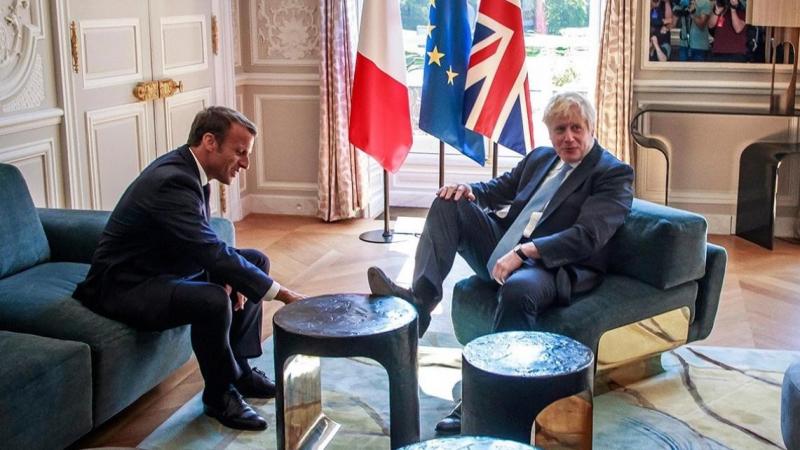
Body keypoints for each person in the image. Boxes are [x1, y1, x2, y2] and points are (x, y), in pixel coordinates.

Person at [367, 92, 634, 433]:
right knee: (448, 203)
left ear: (591, 128)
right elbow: (497, 189)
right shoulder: (541, 158)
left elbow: (588, 236)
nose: (568, 137)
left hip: (553, 265)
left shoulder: (612, 173)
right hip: (505, 246)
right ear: (550, 134)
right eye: (560, 129)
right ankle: (420, 302)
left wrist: (525, 253)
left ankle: (485, 397)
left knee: (518, 290)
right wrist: (467, 189)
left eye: (576, 128)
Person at [74, 106, 306, 431]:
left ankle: (239, 368)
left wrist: (228, 275)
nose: (246, 163)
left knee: (255, 261)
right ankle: (219, 394)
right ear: (210, 142)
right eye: (240, 152)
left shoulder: (193, 171)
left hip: (167, 268)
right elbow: (207, 249)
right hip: (126, 286)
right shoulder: (172, 182)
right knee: (211, 299)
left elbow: (199, 241)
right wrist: (282, 294)